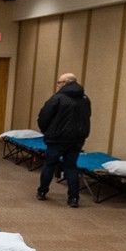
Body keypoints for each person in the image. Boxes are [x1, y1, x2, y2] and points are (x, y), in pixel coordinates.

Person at [35, 72, 92, 208]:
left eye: (59, 82)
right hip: (77, 139)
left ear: (66, 83)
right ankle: (73, 199)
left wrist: (46, 131)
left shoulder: (58, 98)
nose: (58, 85)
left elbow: (44, 116)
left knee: (49, 165)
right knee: (71, 167)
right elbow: (87, 117)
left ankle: (42, 191)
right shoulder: (85, 99)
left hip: (57, 139)